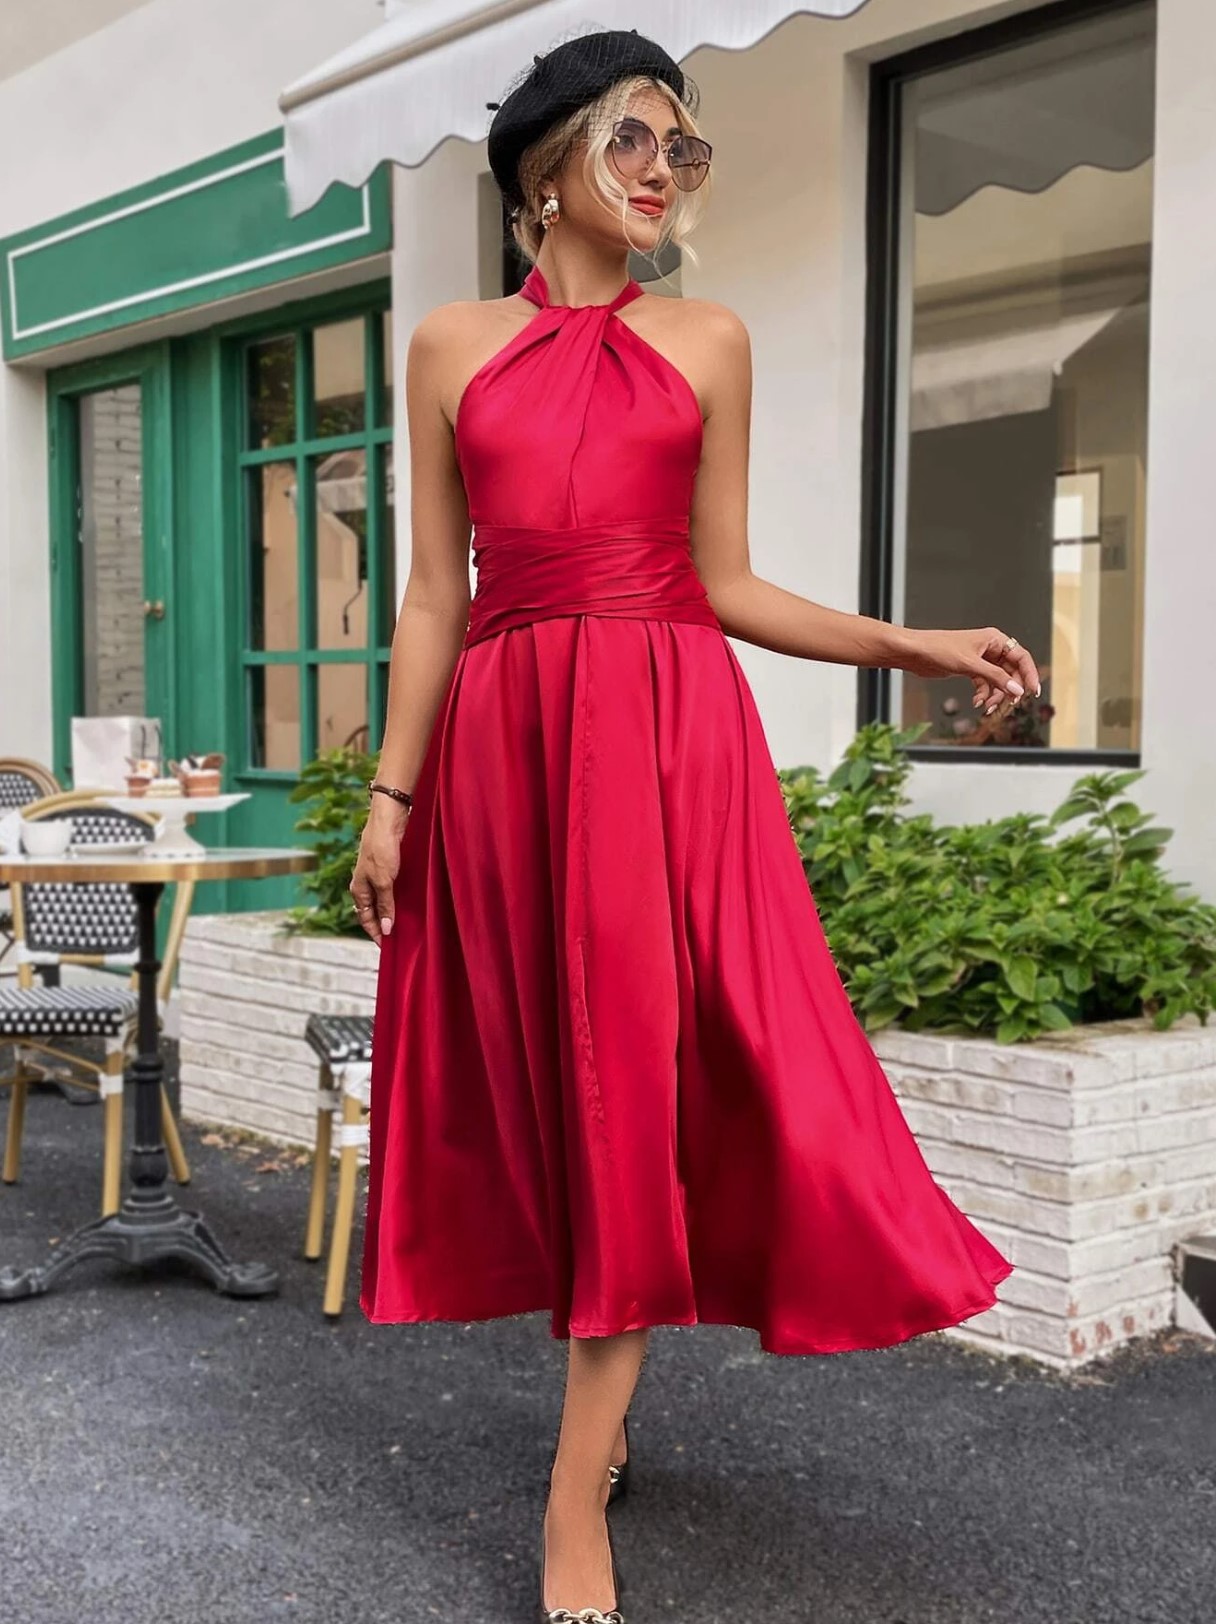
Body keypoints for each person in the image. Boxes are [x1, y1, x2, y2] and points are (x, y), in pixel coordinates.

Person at [348, 28, 1036, 1623]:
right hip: (509, 754)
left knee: (639, 1086)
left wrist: (912, 643)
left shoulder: (710, 338)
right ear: (545, 173)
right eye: (639, 141)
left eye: (687, 148)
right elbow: (434, 597)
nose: (669, 171)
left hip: (667, 749)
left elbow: (724, 584)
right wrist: (391, 798)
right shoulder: (448, 345)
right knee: (550, 1084)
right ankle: (607, 1415)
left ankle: (570, 1499)